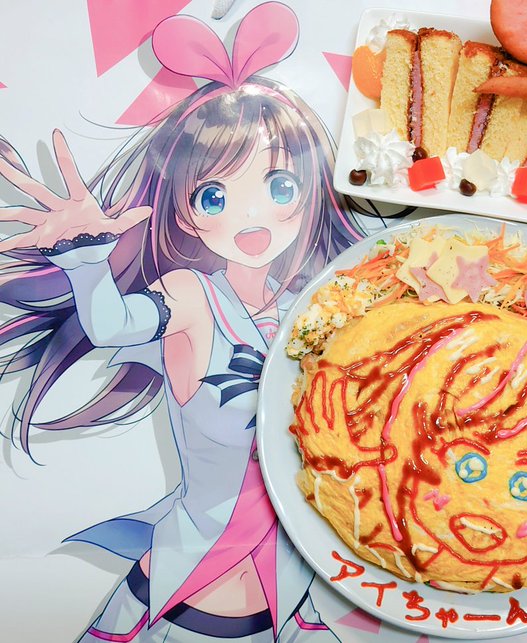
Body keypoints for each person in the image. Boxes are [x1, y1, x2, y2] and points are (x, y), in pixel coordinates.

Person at [0, 4, 367, 641]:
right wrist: (84, 255)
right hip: (195, 582)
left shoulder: (318, 306)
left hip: (296, 590)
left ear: (312, 193)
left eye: (280, 187)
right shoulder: (193, 297)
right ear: (185, 214)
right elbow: (113, 325)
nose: (251, 216)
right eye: (214, 195)